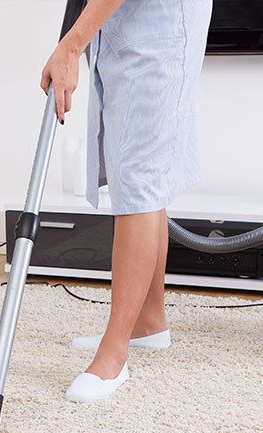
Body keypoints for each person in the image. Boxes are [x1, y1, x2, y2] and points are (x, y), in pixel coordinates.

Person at [41, 0, 212, 403]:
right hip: (127, 29)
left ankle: (114, 352)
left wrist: (70, 46)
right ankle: (148, 323)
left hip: (157, 32)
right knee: (139, 181)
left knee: (139, 185)